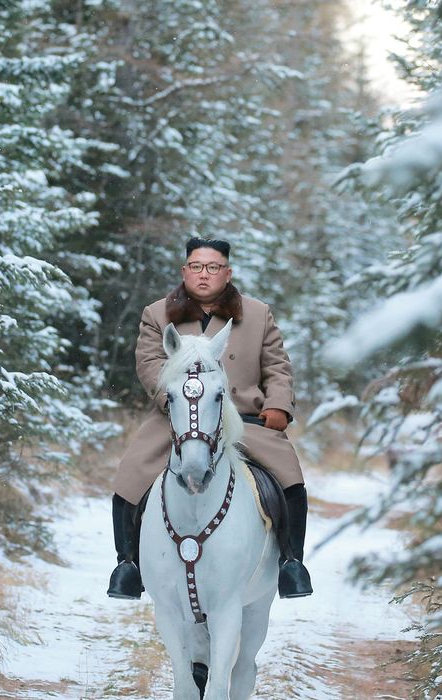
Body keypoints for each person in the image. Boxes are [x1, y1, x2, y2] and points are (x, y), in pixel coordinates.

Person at [107, 237, 313, 600]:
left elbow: (278, 367)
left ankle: (291, 564)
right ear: (185, 271)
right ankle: (128, 565)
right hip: (177, 419)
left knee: (290, 482)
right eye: (197, 267)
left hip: (246, 420)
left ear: (227, 272)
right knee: (130, 476)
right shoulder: (157, 315)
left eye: (213, 267)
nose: (204, 275)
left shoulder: (257, 313)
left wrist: (279, 404)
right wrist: (175, 397)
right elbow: (150, 365)